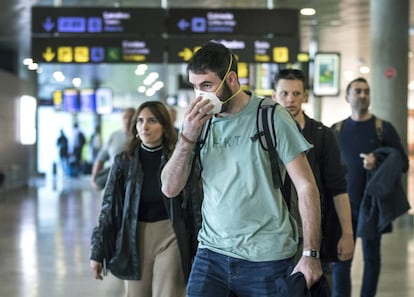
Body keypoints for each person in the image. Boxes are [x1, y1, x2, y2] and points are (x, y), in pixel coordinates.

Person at [160, 41, 322, 296]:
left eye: (207, 86)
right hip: (211, 254)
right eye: (194, 87)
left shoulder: (271, 116)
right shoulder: (199, 125)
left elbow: (306, 186)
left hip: (267, 259)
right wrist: (187, 137)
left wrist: (310, 254)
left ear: (231, 79)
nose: (199, 96)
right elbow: (170, 188)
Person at [90, 101, 194, 297]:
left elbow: (194, 205)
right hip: (134, 236)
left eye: (152, 121)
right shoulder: (124, 161)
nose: (144, 126)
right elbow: (109, 208)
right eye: (140, 121)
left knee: (169, 292)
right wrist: (97, 252)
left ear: (164, 126)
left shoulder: (178, 158)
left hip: (170, 234)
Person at [273, 68, 354, 287]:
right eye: (285, 93)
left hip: (314, 233)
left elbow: (337, 187)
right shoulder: (266, 136)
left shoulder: (322, 135)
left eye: (296, 93)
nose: (290, 99)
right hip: (274, 235)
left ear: (305, 96)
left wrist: (347, 233)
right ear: (274, 96)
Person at [331, 77, 409, 297]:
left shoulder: (383, 128)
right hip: (343, 206)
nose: (363, 95)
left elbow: (402, 163)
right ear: (347, 97)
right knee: (341, 259)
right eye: (357, 91)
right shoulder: (337, 130)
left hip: (372, 206)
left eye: (366, 91)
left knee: (372, 258)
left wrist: (378, 160)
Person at [91, 107, 135, 190]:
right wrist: (94, 178)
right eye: (125, 117)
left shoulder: (141, 137)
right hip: (114, 181)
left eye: (131, 118)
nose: (127, 121)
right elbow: (100, 158)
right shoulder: (114, 136)